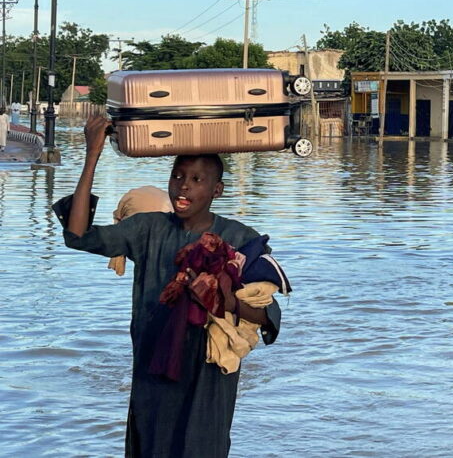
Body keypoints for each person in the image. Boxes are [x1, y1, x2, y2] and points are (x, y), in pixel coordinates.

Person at [53, 116, 283, 457]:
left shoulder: (241, 239)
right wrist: (93, 154)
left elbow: (268, 317)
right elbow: (78, 236)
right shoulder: (147, 228)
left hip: (210, 377)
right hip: (152, 367)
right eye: (177, 176)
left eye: (196, 179)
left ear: (216, 190)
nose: (183, 186)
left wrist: (224, 301)